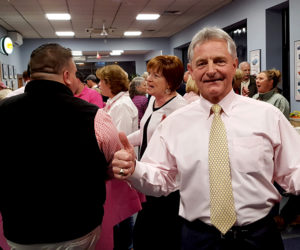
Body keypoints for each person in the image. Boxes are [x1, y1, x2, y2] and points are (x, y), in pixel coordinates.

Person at [112, 27, 300, 250]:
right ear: (191, 71)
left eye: (219, 61)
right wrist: (134, 169)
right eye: (202, 63)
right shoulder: (174, 123)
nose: (211, 70)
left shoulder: (268, 116)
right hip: (197, 238)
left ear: (234, 64)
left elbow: (293, 170)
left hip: (259, 237)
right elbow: (161, 178)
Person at [0, 43, 122, 249]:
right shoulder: (95, 116)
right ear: (66, 76)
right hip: (78, 229)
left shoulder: (3, 111)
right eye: (75, 73)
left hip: (20, 229)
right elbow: (112, 165)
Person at [127, 55, 187, 250]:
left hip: (169, 186)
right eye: (149, 74)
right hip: (150, 177)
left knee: (161, 237)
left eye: (156, 75)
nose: (149, 79)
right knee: (144, 235)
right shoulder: (153, 100)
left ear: (170, 82)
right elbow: (145, 132)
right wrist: (120, 141)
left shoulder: (180, 109)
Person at [96, 64, 142, 250]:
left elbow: (118, 138)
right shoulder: (114, 102)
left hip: (120, 163)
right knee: (120, 210)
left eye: (101, 81)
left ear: (111, 83)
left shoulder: (121, 105)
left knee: (123, 212)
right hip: (116, 164)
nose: (98, 84)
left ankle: (126, 245)